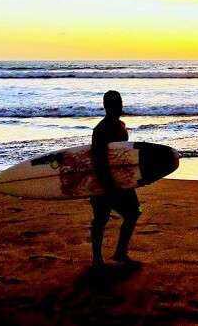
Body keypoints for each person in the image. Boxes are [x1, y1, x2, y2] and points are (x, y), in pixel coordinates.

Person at [89, 90, 141, 268]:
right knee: (100, 219)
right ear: (106, 106)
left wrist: (131, 179)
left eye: (120, 103)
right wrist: (107, 186)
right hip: (103, 184)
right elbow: (98, 160)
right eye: (114, 104)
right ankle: (97, 259)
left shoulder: (121, 126)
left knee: (134, 212)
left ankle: (120, 252)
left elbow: (124, 156)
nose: (119, 107)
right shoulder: (101, 130)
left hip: (122, 182)